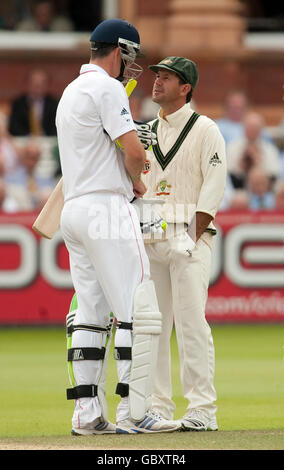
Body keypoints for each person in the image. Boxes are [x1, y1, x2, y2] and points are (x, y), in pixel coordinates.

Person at [56, 18, 180, 436]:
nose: (133, 66)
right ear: (119, 51)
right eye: (131, 56)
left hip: (74, 211)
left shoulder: (72, 91)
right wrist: (139, 179)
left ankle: (87, 415)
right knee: (136, 308)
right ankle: (135, 410)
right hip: (108, 207)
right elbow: (131, 151)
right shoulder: (107, 88)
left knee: (90, 314)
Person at [141, 56, 227, 431]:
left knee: (191, 323)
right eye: (157, 75)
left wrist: (191, 237)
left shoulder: (206, 128)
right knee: (154, 327)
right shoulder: (144, 132)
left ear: (186, 87)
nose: (157, 81)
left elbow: (215, 185)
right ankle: (157, 406)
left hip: (189, 236)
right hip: (151, 237)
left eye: (167, 77)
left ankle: (202, 410)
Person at [227, 111, 281, 189]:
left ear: (261, 129)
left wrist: (259, 164)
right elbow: (228, 175)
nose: (252, 130)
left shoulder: (269, 149)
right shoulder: (232, 147)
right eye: (250, 127)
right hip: (237, 190)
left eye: (255, 127)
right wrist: (240, 168)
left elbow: (274, 175)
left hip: (263, 191)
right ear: (243, 127)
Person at [4, 139, 55, 210]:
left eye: (35, 158)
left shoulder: (46, 179)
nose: (31, 162)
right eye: (29, 157)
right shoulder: (10, 178)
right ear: (23, 157)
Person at [8, 68, 58, 137]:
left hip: (48, 141)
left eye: (42, 83)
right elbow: (14, 127)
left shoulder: (54, 103)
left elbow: (56, 126)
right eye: (34, 82)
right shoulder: (18, 103)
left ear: (48, 85)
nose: (37, 86)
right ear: (27, 83)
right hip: (25, 141)